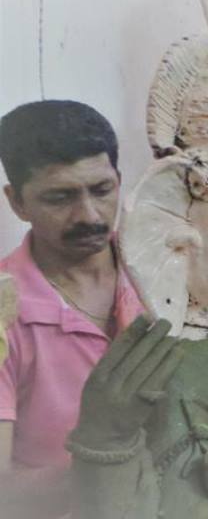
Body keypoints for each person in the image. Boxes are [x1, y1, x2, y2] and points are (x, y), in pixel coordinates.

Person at [0, 100, 144, 518]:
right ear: (17, 203)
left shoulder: (163, 272)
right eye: (60, 197)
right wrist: (105, 460)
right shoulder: (4, 313)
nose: (90, 216)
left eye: (102, 190)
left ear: (119, 180)